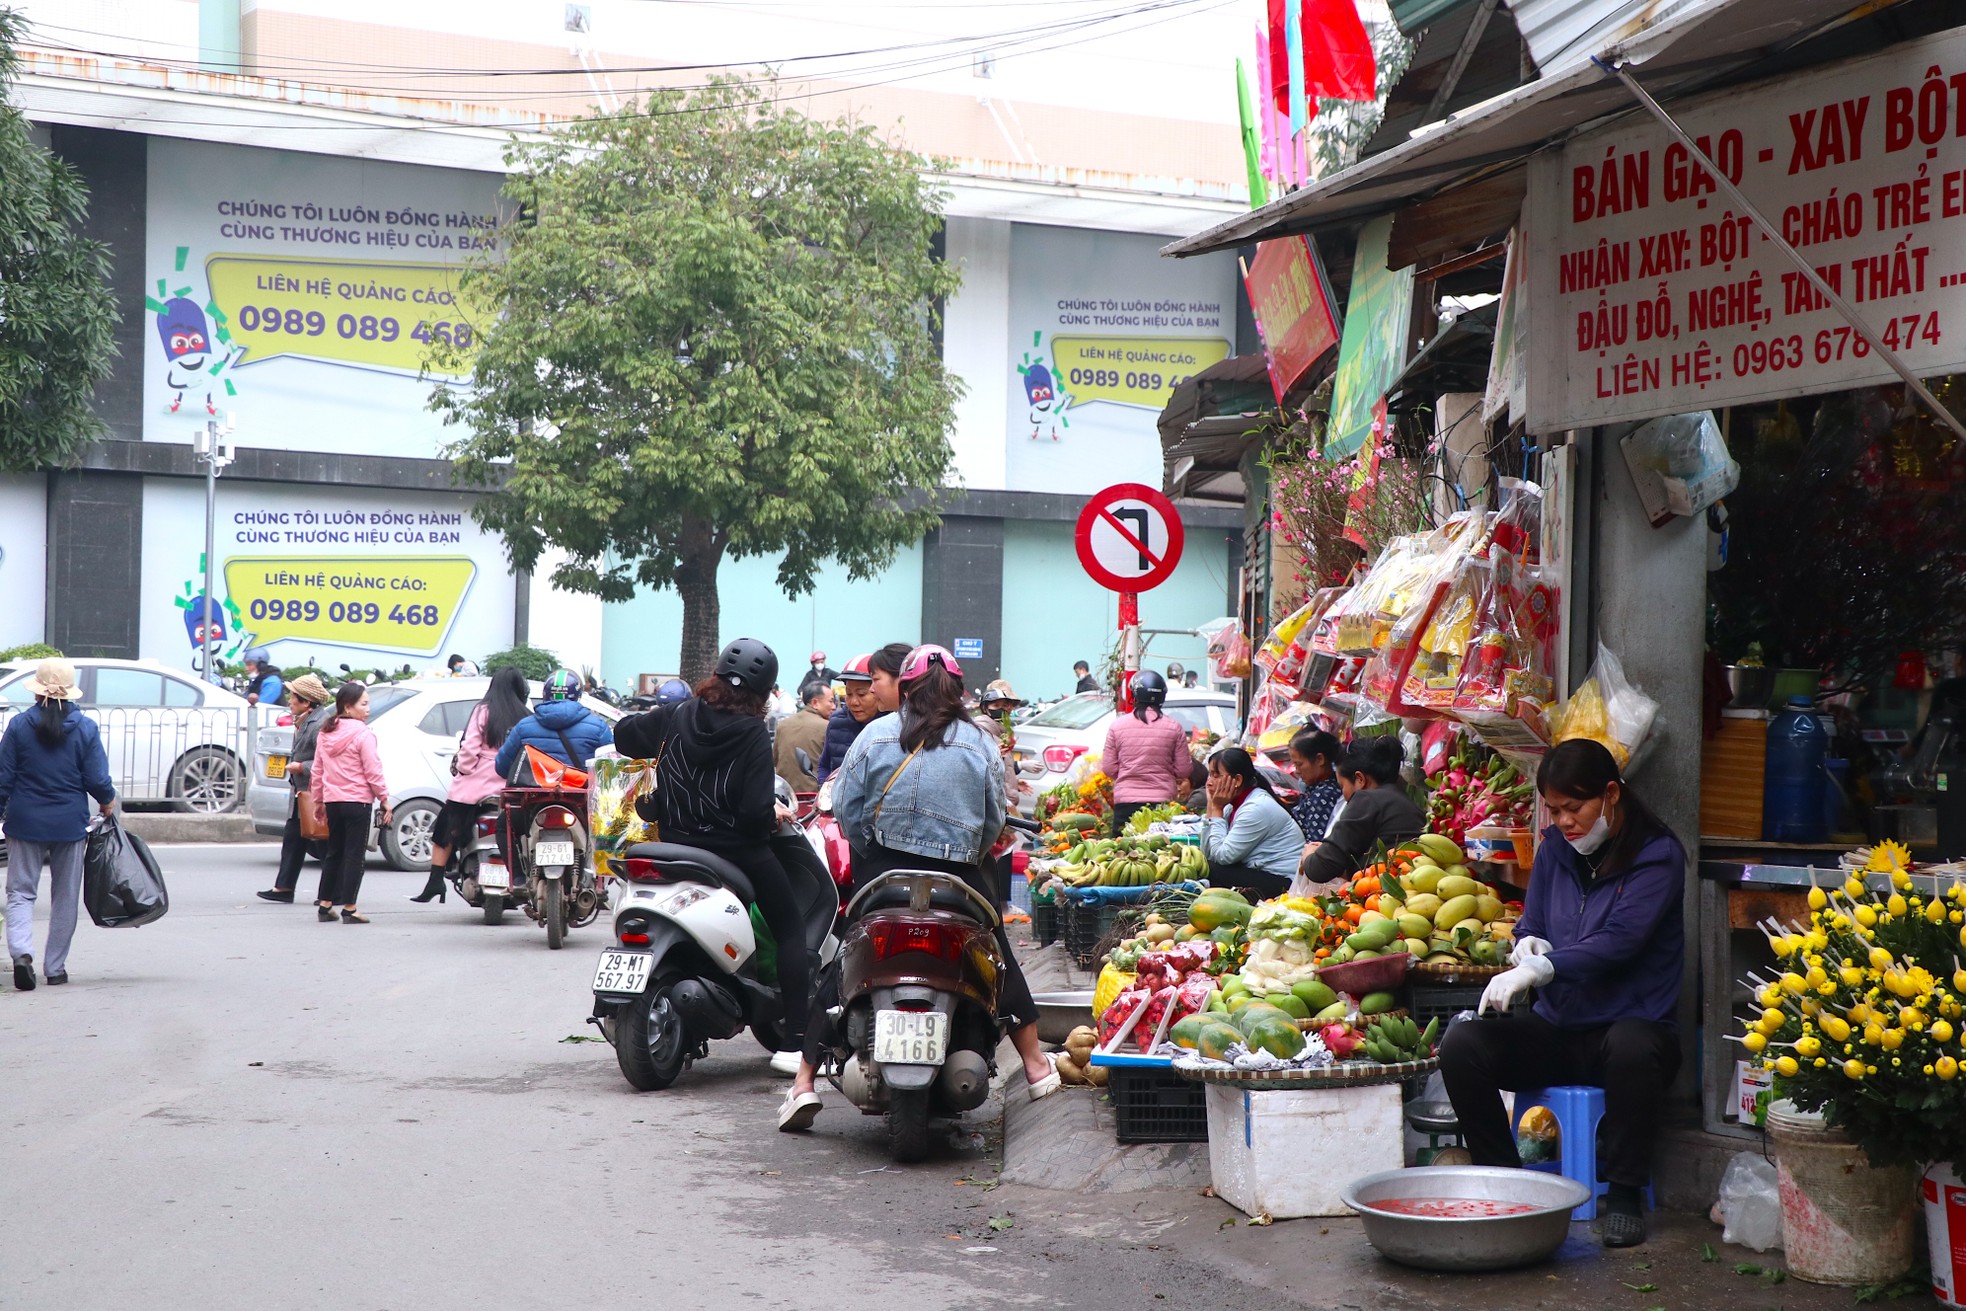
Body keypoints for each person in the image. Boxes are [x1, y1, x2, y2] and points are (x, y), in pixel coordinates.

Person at [779, 644, 1058, 1132]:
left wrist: (875, 853)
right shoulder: (980, 743)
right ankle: (1034, 1066)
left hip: (884, 875)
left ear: (905, 688)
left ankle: (804, 1082)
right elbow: (994, 823)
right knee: (995, 955)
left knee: (844, 957)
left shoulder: (875, 735)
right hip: (960, 879)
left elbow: (847, 811)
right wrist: (966, 853)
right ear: (957, 691)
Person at [1439, 739, 1686, 1250]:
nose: (1564, 820)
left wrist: (1543, 968)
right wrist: (1525, 941)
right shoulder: (1555, 848)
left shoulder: (1656, 856)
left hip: (1629, 1033)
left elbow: (1621, 940)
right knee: (1463, 1046)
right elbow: (1533, 919)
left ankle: (1623, 1196)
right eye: (1554, 809)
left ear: (1611, 794)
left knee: (1633, 1046)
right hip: (1559, 1028)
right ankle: (1508, 1182)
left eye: (1574, 807)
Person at [614, 638, 814, 1077]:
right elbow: (751, 813)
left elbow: (624, 736)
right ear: (764, 693)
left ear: (717, 675)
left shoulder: (677, 714)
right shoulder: (752, 736)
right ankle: (796, 1043)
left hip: (675, 847)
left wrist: (649, 721)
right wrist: (773, 815)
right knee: (790, 928)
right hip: (738, 853)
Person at [0, 660, 116, 989]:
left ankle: (22, 953)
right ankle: (55, 968)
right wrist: (107, 800)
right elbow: (97, 779)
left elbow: (2, 778)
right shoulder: (86, 728)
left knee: (21, 892)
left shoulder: (19, 726)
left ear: (38, 691)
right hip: (70, 823)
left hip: (24, 821)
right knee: (65, 895)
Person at [411, 666, 530, 903]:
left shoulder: (483, 711)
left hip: (477, 784)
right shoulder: (526, 715)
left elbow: (470, 747)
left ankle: (435, 881)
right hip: (511, 783)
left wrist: (464, 770)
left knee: (447, 826)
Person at [309, 681, 393, 924]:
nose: (368, 708)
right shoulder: (363, 734)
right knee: (354, 855)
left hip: (333, 801)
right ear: (348, 707)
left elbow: (317, 769)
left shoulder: (325, 733)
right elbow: (373, 770)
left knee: (334, 852)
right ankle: (350, 907)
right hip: (357, 802)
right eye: (363, 704)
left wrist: (318, 801)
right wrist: (384, 798)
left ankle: (325, 905)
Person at [1295, 737, 1426, 892]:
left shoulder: (1366, 798)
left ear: (1360, 779)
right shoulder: (1404, 801)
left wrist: (1309, 854)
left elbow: (1320, 869)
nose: (1343, 794)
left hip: (1383, 896)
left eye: (1342, 785)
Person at [256, 673, 334, 903]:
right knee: (292, 839)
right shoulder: (303, 721)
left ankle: (331, 894)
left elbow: (326, 760)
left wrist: (302, 767)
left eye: (293, 697)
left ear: (306, 702)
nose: (289, 701)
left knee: (323, 844)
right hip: (300, 794)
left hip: (314, 794)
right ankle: (284, 888)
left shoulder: (320, 724)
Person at [1197, 747, 1303, 898]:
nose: (1209, 782)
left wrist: (1217, 809)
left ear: (1237, 780)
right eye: (1210, 775)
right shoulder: (1232, 805)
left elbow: (1222, 857)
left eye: (1216, 775)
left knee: (1213, 871)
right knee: (1205, 867)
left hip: (1285, 883)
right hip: (1260, 873)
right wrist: (1211, 808)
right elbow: (1206, 854)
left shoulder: (1256, 808)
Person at [1101, 670, 1193, 832]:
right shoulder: (1174, 727)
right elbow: (1183, 770)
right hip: (1162, 804)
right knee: (1161, 854)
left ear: (1134, 695)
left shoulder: (1117, 726)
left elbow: (1109, 768)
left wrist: (1128, 773)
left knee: (1123, 853)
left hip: (1126, 802)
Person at [494, 669, 613, 781]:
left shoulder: (523, 727)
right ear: (577, 695)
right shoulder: (598, 727)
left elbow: (502, 768)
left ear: (545, 694)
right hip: (583, 798)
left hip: (533, 798)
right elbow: (612, 770)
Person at [816, 651, 882, 783]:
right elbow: (824, 765)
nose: (853, 702)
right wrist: (825, 789)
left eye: (862, 694)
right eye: (849, 694)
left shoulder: (892, 726)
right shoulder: (836, 722)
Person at [774, 682, 834, 795]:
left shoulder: (782, 725)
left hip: (786, 796)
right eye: (830, 701)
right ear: (815, 703)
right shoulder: (828, 726)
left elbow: (775, 760)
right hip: (817, 797)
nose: (834, 706)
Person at [1286, 729, 1345, 841]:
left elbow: (1315, 843)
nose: (1296, 771)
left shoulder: (1323, 796)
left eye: (1299, 764)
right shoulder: (1315, 789)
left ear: (1320, 759)